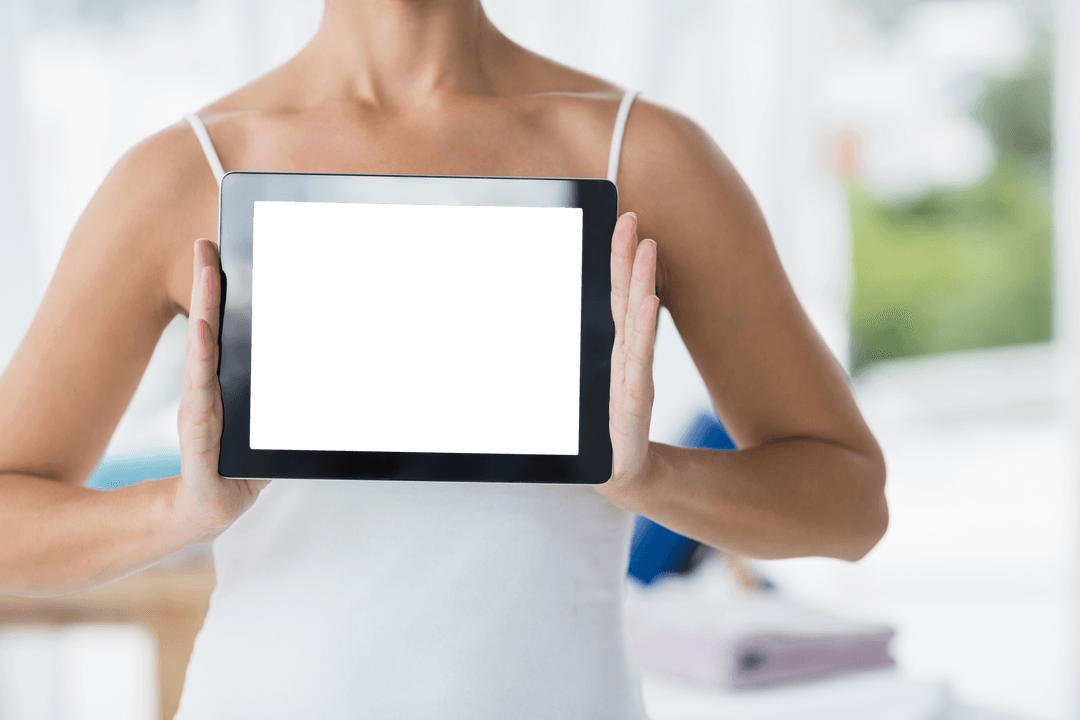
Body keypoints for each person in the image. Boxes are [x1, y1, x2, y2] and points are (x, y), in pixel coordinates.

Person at [0, 1, 888, 717]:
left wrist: (649, 476)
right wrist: (180, 513)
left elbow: (850, 503)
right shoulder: (181, 174)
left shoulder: (645, 160)